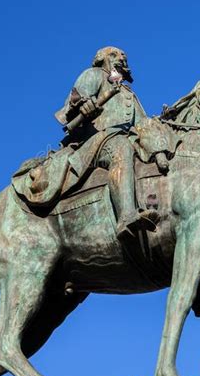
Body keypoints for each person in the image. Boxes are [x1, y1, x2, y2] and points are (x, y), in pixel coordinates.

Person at [55, 46, 160, 238]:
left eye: (123, 56)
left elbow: (142, 124)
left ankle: (155, 210)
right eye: (114, 55)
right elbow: (75, 100)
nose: (120, 58)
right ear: (101, 60)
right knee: (121, 149)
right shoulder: (94, 74)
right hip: (98, 140)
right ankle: (126, 216)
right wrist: (83, 105)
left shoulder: (128, 93)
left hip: (129, 138)